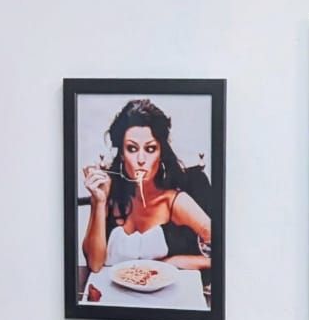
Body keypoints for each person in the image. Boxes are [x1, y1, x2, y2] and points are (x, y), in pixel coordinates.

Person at [80, 98, 212, 285]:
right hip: (113, 302)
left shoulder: (174, 201)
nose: (141, 159)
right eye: (132, 149)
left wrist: (174, 263)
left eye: (150, 149)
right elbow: (94, 264)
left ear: (161, 153)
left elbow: (223, 253)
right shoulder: (108, 196)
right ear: (122, 155)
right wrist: (98, 202)